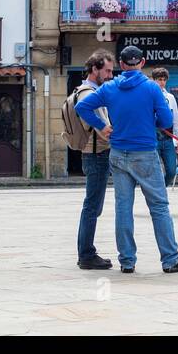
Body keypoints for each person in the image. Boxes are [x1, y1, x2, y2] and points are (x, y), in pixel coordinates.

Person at [76, 45, 178, 275]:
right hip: (145, 153)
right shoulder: (151, 88)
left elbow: (82, 106)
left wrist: (102, 125)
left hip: (118, 153)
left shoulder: (109, 88)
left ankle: (127, 261)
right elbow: (166, 120)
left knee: (123, 208)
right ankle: (170, 259)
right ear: (142, 62)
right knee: (159, 207)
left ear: (120, 64)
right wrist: (152, 118)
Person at [63, 51, 114, 270]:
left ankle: (86, 252)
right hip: (96, 154)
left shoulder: (87, 90)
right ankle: (86, 254)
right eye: (107, 71)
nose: (110, 75)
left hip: (94, 154)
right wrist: (105, 129)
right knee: (92, 207)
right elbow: (84, 111)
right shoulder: (88, 92)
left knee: (93, 206)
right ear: (94, 69)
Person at [149, 67, 178, 187]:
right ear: (154, 80)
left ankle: (160, 190)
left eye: (164, 79)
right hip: (153, 139)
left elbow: (176, 119)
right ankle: (157, 194)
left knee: (172, 171)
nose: (162, 82)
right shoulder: (148, 96)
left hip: (168, 140)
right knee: (155, 171)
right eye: (159, 79)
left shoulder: (171, 97)